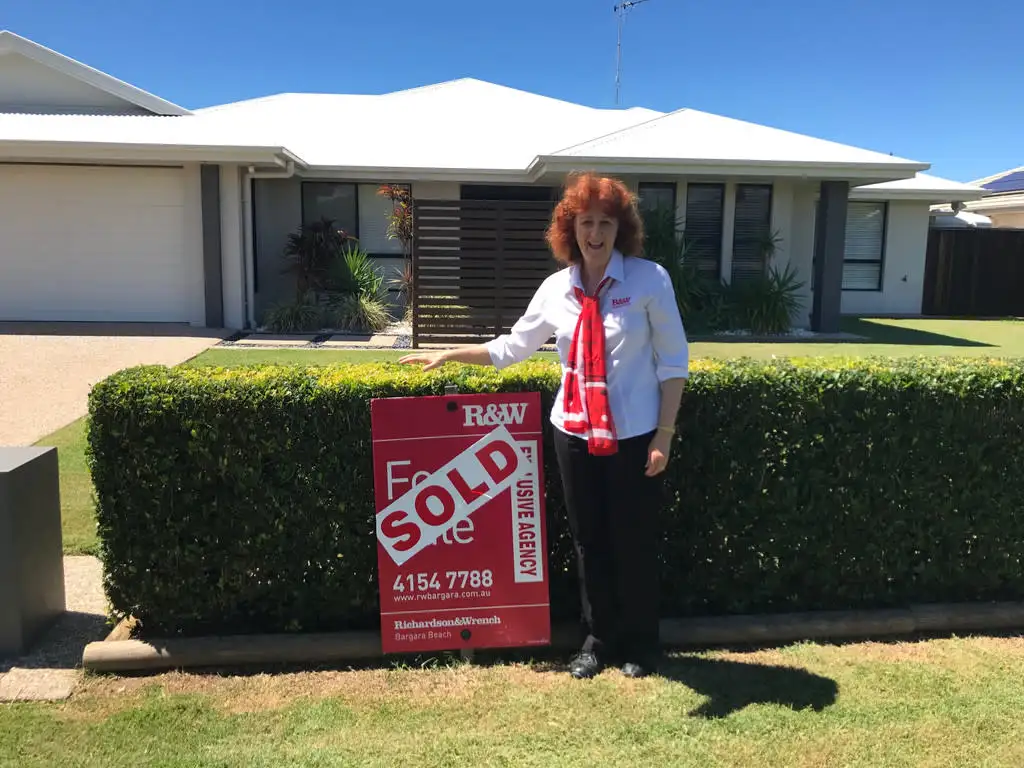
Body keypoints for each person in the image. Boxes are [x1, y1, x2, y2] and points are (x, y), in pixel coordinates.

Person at [399, 173, 689, 679]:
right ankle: (597, 642)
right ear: (570, 229)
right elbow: (513, 347)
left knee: (633, 539)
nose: (595, 233)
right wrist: (449, 353)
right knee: (587, 539)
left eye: (605, 223)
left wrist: (664, 434)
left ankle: (641, 645)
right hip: (573, 433)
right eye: (586, 223)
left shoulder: (650, 280)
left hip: (635, 433)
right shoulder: (557, 289)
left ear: (620, 229)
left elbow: (674, 362)